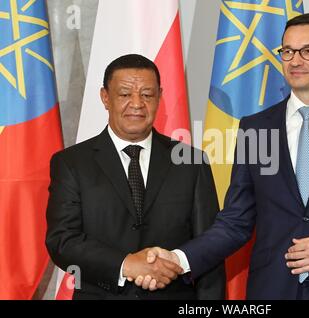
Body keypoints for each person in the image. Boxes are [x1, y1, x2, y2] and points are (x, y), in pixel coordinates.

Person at [142, 14, 309, 299]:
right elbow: (236, 221)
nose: (295, 61)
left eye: (308, 51)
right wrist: (179, 258)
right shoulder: (256, 127)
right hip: (271, 291)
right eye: (287, 51)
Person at [46, 54, 225, 300]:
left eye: (147, 94)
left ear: (159, 97)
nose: (137, 103)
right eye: (125, 94)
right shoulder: (72, 163)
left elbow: (210, 246)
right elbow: (62, 241)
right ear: (105, 98)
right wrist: (126, 264)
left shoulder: (191, 161)